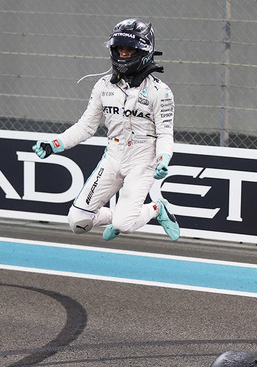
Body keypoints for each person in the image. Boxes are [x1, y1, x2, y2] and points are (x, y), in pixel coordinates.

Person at [32, 18, 179, 241]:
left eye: (130, 49)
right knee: (78, 222)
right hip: (113, 157)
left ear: (144, 51)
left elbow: (165, 133)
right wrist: (54, 145)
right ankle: (119, 217)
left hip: (143, 161)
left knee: (125, 224)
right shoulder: (103, 86)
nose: (124, 53)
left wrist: (163, 159)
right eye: (120, 48)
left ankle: (157, 209)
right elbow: (85, 127)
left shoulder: (161, 92)